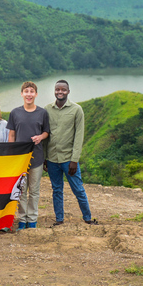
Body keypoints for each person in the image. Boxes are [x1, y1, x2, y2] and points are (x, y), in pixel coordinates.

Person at [44, 80, 98, 226]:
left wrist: (75, 159)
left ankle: (87, 218)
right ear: (54, 91)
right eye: (57, 89)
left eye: (63, 90)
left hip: (69, 159)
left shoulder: (76, 110)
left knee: (78, 189)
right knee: (57, 190)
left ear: (68, 91)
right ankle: (59, 219)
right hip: (52, 158)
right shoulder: (47, 109)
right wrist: (44, 158)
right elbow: (45, 134)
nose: (60, 92)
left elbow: (79, 136)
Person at [7, 81, 50, 229]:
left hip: (37, 158)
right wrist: (12, 154)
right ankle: (22, 219)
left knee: (34, 191)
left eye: (32, 91)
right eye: (26, 91)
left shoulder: (42, 113)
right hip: (20, 159)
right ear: (22, 94)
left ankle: (32, 220)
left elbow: (46, 132)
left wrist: (40, 137)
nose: (29, 94)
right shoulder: (15, 113)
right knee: (21, 191)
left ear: (36, 94)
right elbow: (11, 135)